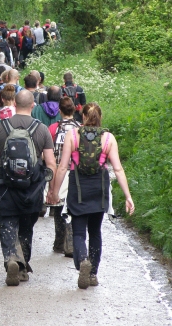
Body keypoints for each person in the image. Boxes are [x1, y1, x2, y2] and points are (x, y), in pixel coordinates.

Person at [52, 102, 135, 289]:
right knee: (95, 231)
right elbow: (118, 169)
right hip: (100, 188)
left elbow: (63, 166)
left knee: (79, 231)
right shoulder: (108, 138)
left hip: (78, 187)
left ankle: (82, 261)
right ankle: (93, 274)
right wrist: (128, 196)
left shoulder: (72, 135)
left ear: (82, 117)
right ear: (100, 117)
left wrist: (54, 192)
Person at [0, 90, 57, 286]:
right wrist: (51, 188)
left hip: (6, 187)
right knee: (26, 227)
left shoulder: (0, 127)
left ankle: (11, 259)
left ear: (14, 104)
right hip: (32, 189)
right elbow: (51, 163)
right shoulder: (41, 129)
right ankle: (23, 267)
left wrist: (3, 164)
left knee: (7, 223)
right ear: (33, 105)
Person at [46, 97, 80, 255]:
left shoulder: (53, 128)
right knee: (71, 206)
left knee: (57, 205)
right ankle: (71, 240)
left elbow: (46, 152)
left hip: (58, 169)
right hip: (75, 171)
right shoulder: (80, 128)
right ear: (74, 110)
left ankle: (59, 242)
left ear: (59, 110)